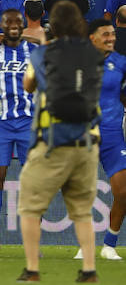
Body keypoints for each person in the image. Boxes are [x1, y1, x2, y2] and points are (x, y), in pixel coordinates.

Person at [18, 3, 106, 282]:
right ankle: (89, 270)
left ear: (52, 25)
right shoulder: (93, 56)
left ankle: (32, 269)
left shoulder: (44, 54)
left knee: (30, 208)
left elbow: (28, 85)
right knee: (82, 212)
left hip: (52, 143)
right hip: (87, 142)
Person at [0, 9, 38, 258]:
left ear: (23, 24)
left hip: (28, 123)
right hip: (1, 123)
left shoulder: (34, 51)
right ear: (1, 27)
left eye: (17, 22)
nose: (13, 25)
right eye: (8, 22)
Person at [90, 17, 126, 262]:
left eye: (113, 34)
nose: (111, 38)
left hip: (112, 134)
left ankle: (109, 244)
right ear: (92, 38)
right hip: (84, 133)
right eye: (106, 34)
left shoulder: (121, 63)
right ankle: (85, 242)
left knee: (123, 191)